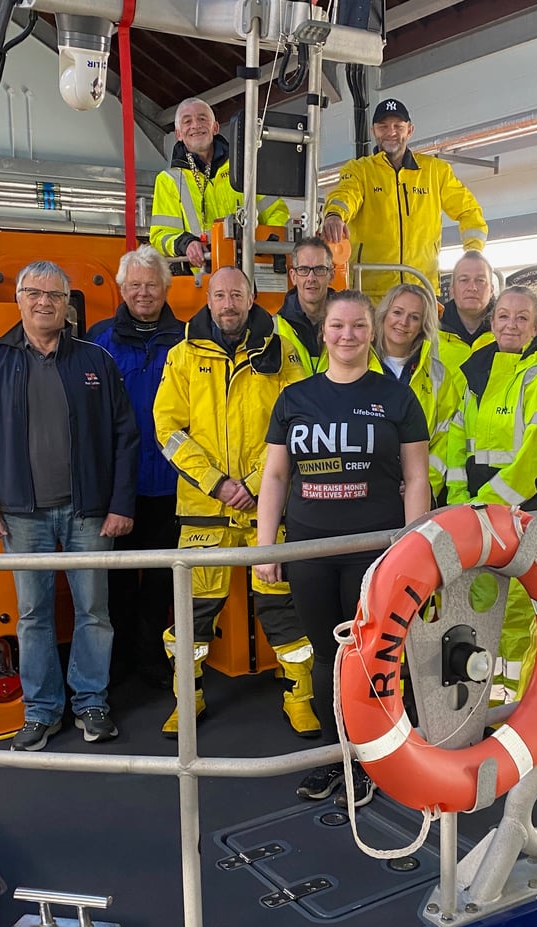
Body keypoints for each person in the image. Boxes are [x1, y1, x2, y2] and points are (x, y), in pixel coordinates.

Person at [255, 289, 431, 807]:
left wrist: (413, 550)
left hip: (374, 550)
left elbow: (417, 478)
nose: (347, 336)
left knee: (373, 656)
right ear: (323, 332)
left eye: (358, 327)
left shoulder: (397, 398)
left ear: (371, 333)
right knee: (326, 655)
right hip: (310, 548)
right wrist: (267, 547)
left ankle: (378, 757)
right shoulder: (295, 398)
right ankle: (338, 757)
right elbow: (275, 475)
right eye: (337, 326)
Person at [0, 261, 139, 751]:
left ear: (68, 305)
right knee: (33, 615)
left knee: (93, 611)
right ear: (19, 299)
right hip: (19, 514)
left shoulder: (95, 361)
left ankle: (91, 703)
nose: (45, 302)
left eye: (56, 296)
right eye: (35, 293)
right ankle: (41, 712)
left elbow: (125, 437)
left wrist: (119, 503)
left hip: (89, 511)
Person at [152, 265, 320, 738]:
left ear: (251, 299)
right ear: (208, 299)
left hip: (268, 503)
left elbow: (298, 420)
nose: (228, 304)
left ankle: (300, 697)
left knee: (282, 606)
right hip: (205, 506)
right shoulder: (183, 356)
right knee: (195, 611)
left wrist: (252, 481)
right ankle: (189, 699)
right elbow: (167, 429)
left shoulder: (282, 351)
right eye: (219, 295)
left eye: (237, 295)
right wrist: (217, 483)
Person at [446, 286, 537, 702]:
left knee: (514, 611)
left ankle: (510, 705)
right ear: (492, 322)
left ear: (536, 327)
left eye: (521, 318)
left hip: (518, 511)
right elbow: (457, 440)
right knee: (480, 600)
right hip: (476, 511)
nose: (510, 325)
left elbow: (535, 455)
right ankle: (480, 696)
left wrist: (489, 506)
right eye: (503, 317)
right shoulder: (478, 372)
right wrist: (461, 499)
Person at [88, 245, 185, 689]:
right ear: (121, 288)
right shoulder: (98, 341)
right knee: (118, 581)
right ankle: (120, 659)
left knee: (164, 581)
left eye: (151, 284)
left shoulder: (188, 340)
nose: (143, 293)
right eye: (135, 285)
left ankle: (151, 657)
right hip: (119, 488)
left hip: (173, 484)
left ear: (166, 288)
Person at [322, 98, 487, 302]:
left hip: (421, 289)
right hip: (370, 292)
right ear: (373, 131)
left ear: (409, 130)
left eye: (398, 126)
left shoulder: (436, 172)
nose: (391, 132)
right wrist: (334, 215)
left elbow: (468, 211)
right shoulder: (359, 170)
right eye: (383, 126)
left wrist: (473, 251)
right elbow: (346, 195)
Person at [149, 98, 290, 269]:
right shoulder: (168, 180)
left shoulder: (246, 167)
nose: (195, 125)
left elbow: (277, 213)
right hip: (201, 278)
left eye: (202, 118)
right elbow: (160, 236)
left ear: (215, 127)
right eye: (187, 121)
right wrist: (185, 244)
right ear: (178, 134)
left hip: (253, 270)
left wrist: (261, 244)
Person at [374, 282, 460, 504]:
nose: (403, 322)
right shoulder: (357, 364)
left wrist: (421, 481)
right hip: (365, 491)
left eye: (414, 317)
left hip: (416, 493)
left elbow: (446, 438)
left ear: (424, 325)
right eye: (397, 312)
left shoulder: (438, 375)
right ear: (384, 314)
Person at [274, 236, 336, 376]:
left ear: (331, 275)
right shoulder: (274, 328)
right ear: (293, 276)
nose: (311, 278)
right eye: (303, 269)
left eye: (319, 269)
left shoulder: (350, 325)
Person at [438, 251, 496, 394]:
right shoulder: (430, 335)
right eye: (464, 280)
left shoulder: (508, 334)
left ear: (492, 290)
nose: (472, 287)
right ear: (452, 290)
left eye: (480, 280)